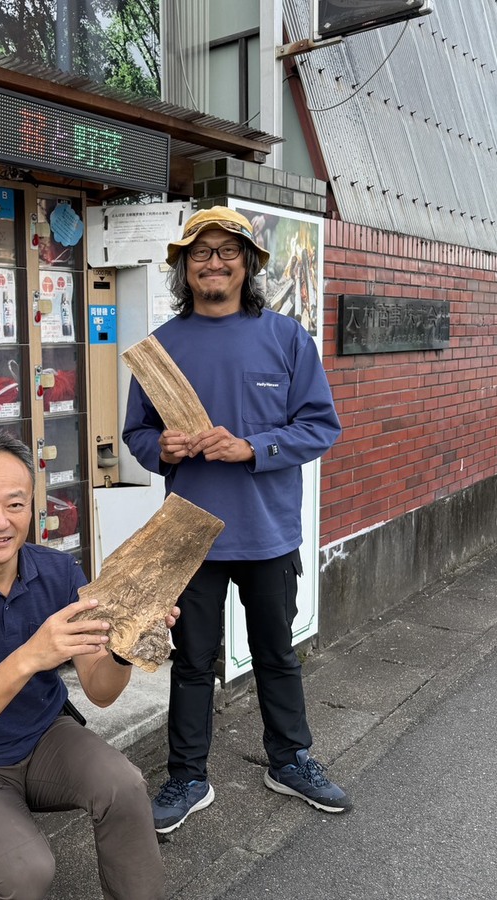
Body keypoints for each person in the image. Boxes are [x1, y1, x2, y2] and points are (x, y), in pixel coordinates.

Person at [122, 206, 349, 834]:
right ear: (184, 267)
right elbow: (136, 433)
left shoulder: (286, 338)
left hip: (267, 531)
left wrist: (253, 447)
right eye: (200, 252)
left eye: (227, 252)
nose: (214, 263)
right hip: (190, 533)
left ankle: (290, 759)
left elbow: (320, 426)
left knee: (276, 653)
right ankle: (188, 777)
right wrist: (161, 448)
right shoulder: (162, 348)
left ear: (248, 264)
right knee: (193, 662)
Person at [0, 434, 173, 900]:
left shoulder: (59, 572)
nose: (0, 522)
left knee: (125, 786)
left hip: (45, 736)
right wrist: (30, 656)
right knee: (25, 872)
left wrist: (127, 646)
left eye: (15, 504)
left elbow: (100, 690)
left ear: (32, 506)